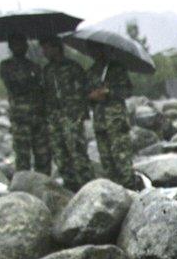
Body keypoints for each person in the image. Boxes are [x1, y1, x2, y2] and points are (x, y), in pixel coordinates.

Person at [40, 35, 92, 192]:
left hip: (72, 116)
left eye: (46, 47)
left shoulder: (73, 67)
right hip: (54, 118)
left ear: (56, 47)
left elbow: (84, 92)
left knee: (77, 153)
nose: (44, 52)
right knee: (60, 156)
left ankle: (87, 187)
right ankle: (71, 187)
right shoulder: (47, 70)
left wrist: (80, 114)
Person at [0, 34, 51, 172]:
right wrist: (32, 79)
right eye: (16, 44)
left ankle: (43, 183)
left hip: (38, 116)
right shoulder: (6, 66)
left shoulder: (34, 66)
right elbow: (15, 86)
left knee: (43, 154)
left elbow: (43, 89)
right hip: (20, 118)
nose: (20, 48)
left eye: (22, 44)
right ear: (10, 47)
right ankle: (23, 187)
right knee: (22, 156)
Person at [87, 53, 135, 188]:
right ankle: (115, 190)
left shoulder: (117, 69)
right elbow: (86, 96)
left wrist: (108, 92)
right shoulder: (91, 72)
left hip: (116, 121)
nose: (95, 52)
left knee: (122, 158)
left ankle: (131, 189)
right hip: (99, 122)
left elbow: (128, 90)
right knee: (106, 161)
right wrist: (92, 96)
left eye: (97, 49)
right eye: (92, 49)